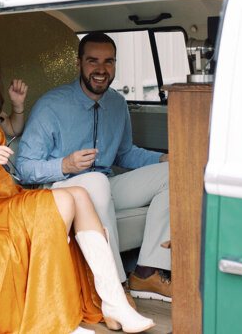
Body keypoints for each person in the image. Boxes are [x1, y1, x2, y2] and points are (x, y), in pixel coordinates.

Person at [0, 29, 155, 334]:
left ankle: (115, 302)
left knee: (80, 195)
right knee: (65, 198)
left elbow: (13, 126)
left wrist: (18, 105)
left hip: (6, 195)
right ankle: (55, 318)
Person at [16, 32, 171, 302]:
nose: (101, 69)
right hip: (59, 190)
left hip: (103, 185)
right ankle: (115, 286)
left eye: (108, 62)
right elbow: (24, 168)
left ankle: (146, 272)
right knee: (96, 182)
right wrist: (65, 164)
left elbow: (125, 154)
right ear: (79, 64)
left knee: (174, 174)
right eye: (93, 61)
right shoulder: (51, 105)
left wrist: (162, 159)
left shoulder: (117, 103)